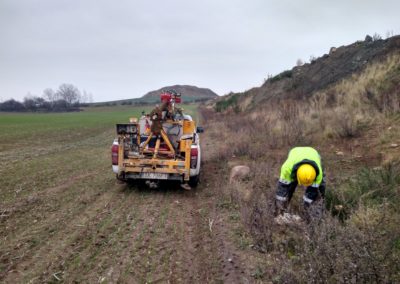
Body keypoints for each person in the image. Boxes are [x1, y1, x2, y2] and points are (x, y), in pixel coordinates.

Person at [275, 146, 326, 215]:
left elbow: (312, 192)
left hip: (313, 153)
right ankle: (283, 209)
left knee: (320, 190)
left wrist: (306, 208)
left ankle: (317, 210)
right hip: (295, 152)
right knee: (289, 186)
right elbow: (282, 190)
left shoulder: (319, 174)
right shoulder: (287, 169)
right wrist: (279, 208)